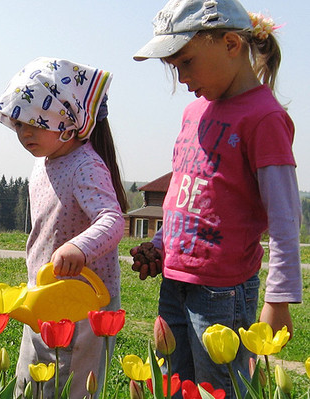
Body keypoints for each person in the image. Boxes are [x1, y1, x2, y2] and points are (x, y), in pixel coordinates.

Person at [131, 0, 302, 397]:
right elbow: (182, 194)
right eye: (175, 67)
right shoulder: (194, 113)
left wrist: (279, 297)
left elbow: (284, 217)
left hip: (222, 293)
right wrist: (160, 245)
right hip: (175, 282)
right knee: (174, 386)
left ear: (229, 44)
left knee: (218, 389)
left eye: (186, 62)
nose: (182, 78)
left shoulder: (264, 118)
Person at [0, 57, 128, 398]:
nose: (24, 133)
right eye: (19, 124)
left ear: (68, 122)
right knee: (32, 384)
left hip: (81, 301)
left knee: (69, 388)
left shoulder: (85, 165)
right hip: (45, 296)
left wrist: (78, 248)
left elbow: (112, 220)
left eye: (35, 124)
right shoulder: (45, 163)